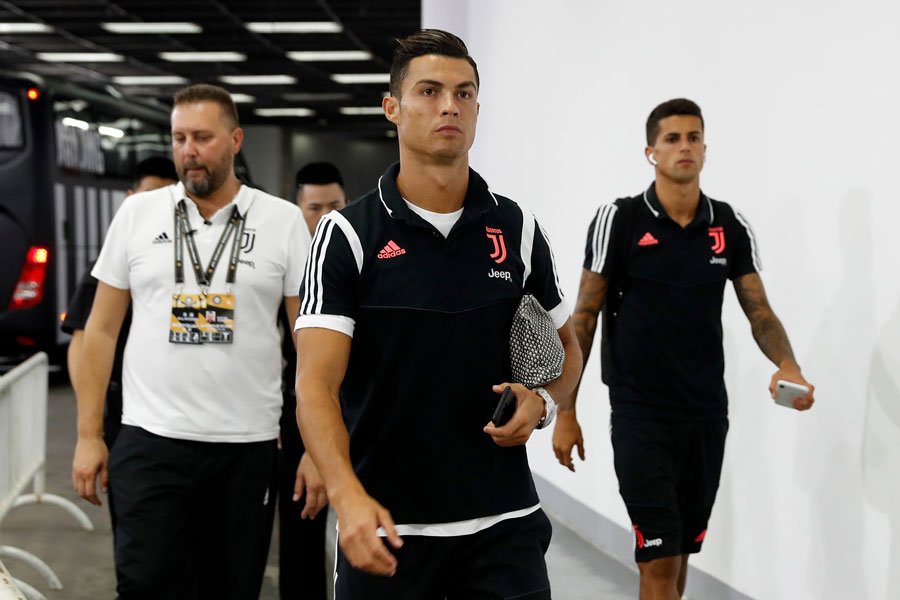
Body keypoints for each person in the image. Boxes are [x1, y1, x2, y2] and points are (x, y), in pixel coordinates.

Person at [293, 29, 582, 599]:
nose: (450, 105)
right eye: (429, 91)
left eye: (464, 93)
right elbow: (315, 386)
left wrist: (544, 402)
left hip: (505, 526)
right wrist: (347, 496)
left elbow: (568, 348)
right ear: (392, 109)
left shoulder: (518, 229)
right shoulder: (346, 235)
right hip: (389, 527)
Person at [553, 98, 815, 600]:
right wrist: (566, 409)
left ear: (705, 148)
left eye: (693, 137)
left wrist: (788, 363)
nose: (684, 147)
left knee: (679, 555)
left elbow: (759, 310)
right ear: (650, 152)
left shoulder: (728, 225)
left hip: (706, 415)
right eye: (672, 138)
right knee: (657, 559)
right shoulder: (620, 219)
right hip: (640, 414)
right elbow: (584, 318)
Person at [70, 83, 321, 599]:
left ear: (235, 140)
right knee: (144, 584)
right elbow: (99, 330)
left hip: (246, 446)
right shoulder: (137, 215)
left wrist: (318, 450)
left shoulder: (282, 222)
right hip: (149, 439)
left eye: (202, 138)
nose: (188, 150)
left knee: (231, 588)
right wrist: (89, 433)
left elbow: (311, 346)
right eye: (179, 138)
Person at [63, 156, 177, 537]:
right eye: (148, 196)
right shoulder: (109, 264)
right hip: (123, 415)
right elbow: (81, 344)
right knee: (136, 528)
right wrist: (90, 428)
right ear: (130, 199)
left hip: (181, 417)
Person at [277, 161, 347, 600]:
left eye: (334, 206)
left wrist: (315, 446)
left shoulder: (353, 262)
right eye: (314, 208)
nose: (324, 217)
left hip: (327, 413)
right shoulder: (279, 267)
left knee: (307, 530)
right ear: (297, 209)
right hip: (270, 416)